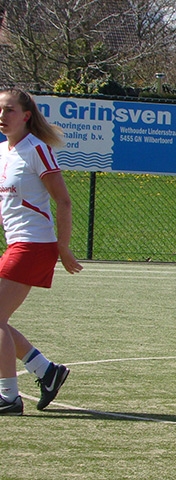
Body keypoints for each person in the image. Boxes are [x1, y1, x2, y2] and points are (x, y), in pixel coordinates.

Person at [0, 88, 82, 415]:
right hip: (17, 244)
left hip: (35, 245)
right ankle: (46, 371)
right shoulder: (2, 152)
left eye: (8, 110)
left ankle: (8, 397)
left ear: (26, 116)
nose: (2, 116)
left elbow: (63, 201)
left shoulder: (37, 149)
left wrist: (63, 248)